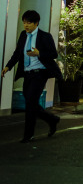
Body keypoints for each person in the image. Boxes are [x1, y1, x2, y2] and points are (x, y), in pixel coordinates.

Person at [1, 10, 62, 143]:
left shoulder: (45, 36)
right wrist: (8, 66)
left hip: (40, 73)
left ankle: (28, 135)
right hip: (28, 73)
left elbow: (53, 54)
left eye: (29, 23)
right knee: (31, 102)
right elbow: (17, 53)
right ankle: (52, 119)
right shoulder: (23, 35)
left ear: (36, 23)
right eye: (24, 23)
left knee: (30, 103)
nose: (26, 25)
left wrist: (39, 53)